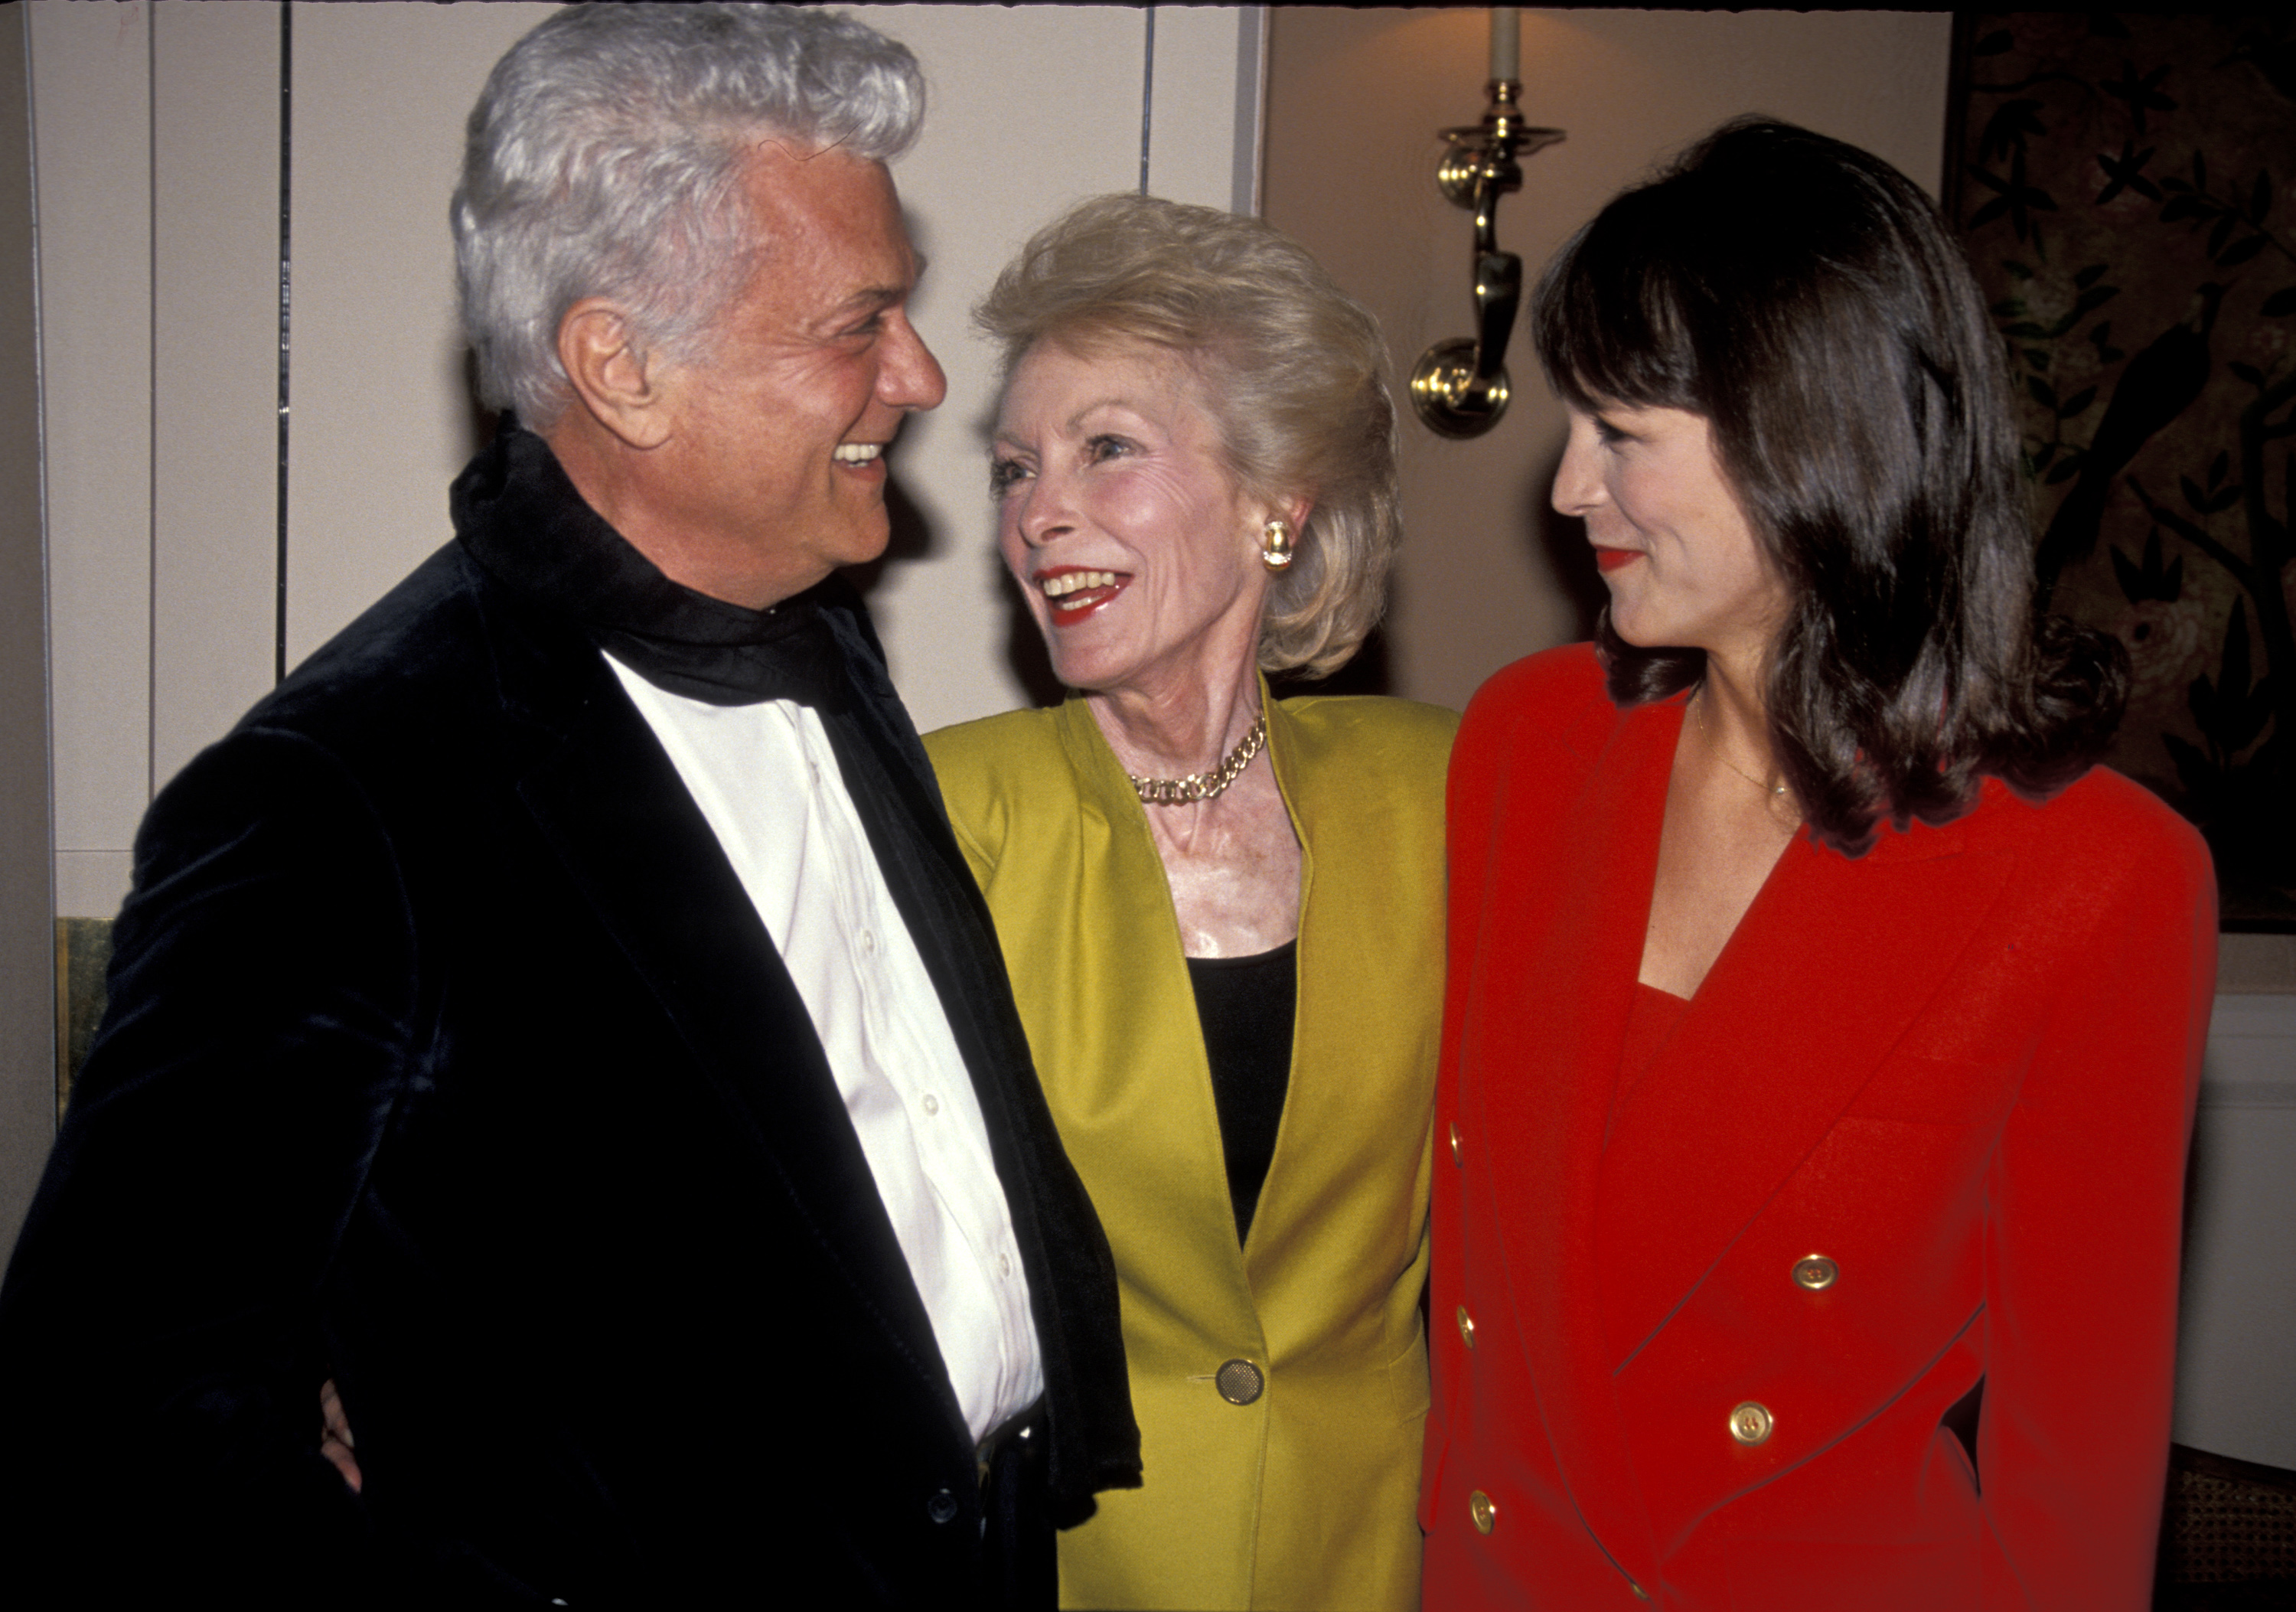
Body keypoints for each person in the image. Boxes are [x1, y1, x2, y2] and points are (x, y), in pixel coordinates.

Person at [0, 7, 1136, 1605]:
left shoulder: (819, 631)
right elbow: (111, 1421)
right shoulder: (335, 797)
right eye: (858, 323)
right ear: (623, 367)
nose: (922, 373)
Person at [1424, 119, 2216, 1610]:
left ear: (1806, 438)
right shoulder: (1527, 743)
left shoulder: (2100, 876)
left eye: (1622, 434)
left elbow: (2077, 1475)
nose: (1570, 489)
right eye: (1573, 426)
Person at [925, 195, 1455, 1612]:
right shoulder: (942, 816)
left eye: (1108, 448)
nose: (1039, 513)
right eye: (1016, 468)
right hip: (1059, 1561)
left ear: (1276, 500)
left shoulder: (1446, 794)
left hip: (1375, 1554)